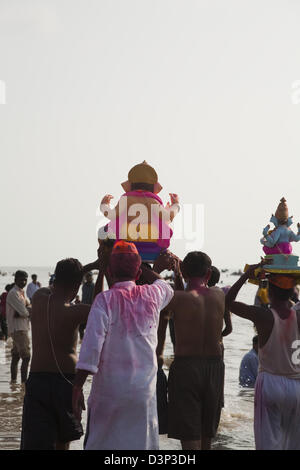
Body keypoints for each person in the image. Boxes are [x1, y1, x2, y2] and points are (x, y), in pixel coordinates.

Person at [72, 241, 174, 450]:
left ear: (109, 271)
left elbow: (91, 350)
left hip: (109, 393)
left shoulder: (104, 301)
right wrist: (145, 265)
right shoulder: (152, 295)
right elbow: (164, 286)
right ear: (138, 274)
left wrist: (76, 387)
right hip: (143, 393)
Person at [20, 258, 100, 450]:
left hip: (38, 380)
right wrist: (102, 269)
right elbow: (100, 308)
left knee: (35, 443)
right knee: (63, 442)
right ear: (77, 286)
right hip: (66, 382)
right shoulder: (76, 311)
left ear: (55, 278)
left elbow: (58, 284)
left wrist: (87, 268)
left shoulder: (39, 297)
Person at [226, 266, 300, 450]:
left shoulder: (263, 316)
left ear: (269, 292)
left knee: (268, 444)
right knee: (292, 444)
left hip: (270, 383)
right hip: (296, 386)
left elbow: (228, 302)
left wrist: (246, 275)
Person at [163, 252, 225, 451]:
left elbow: (175, 298)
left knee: (189, 435)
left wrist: (155, 271)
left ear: (185, 272)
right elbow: (192, 296)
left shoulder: (177, 299)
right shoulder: (219, 294)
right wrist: (181, 275)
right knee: (206, 432)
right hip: (215, 367)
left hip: (187, 367)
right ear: (209, 273)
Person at [6, 271, 31, 384]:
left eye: (25, 279)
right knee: (26, 357)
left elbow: (27, 307)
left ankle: (13, 383)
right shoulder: (13, 293)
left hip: (21, 328)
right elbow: (25, 312)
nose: (24, 282)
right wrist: (25, 310)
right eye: (21, 279)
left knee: (16, 356)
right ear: (15, 280)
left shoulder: (21, 292)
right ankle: (24, 384)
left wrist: (25, 309)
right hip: (18, 329)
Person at [79, 272, 95, 340]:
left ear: (92, 277)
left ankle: (88, 342)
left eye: (90, 276)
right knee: (80, 328)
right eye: (87, 276)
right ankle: (82, 341)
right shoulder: (84, 285)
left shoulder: (94, 286)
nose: (88, 278)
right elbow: (81, 278)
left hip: (91, 309)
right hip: (83, 309)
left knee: (90, 329)